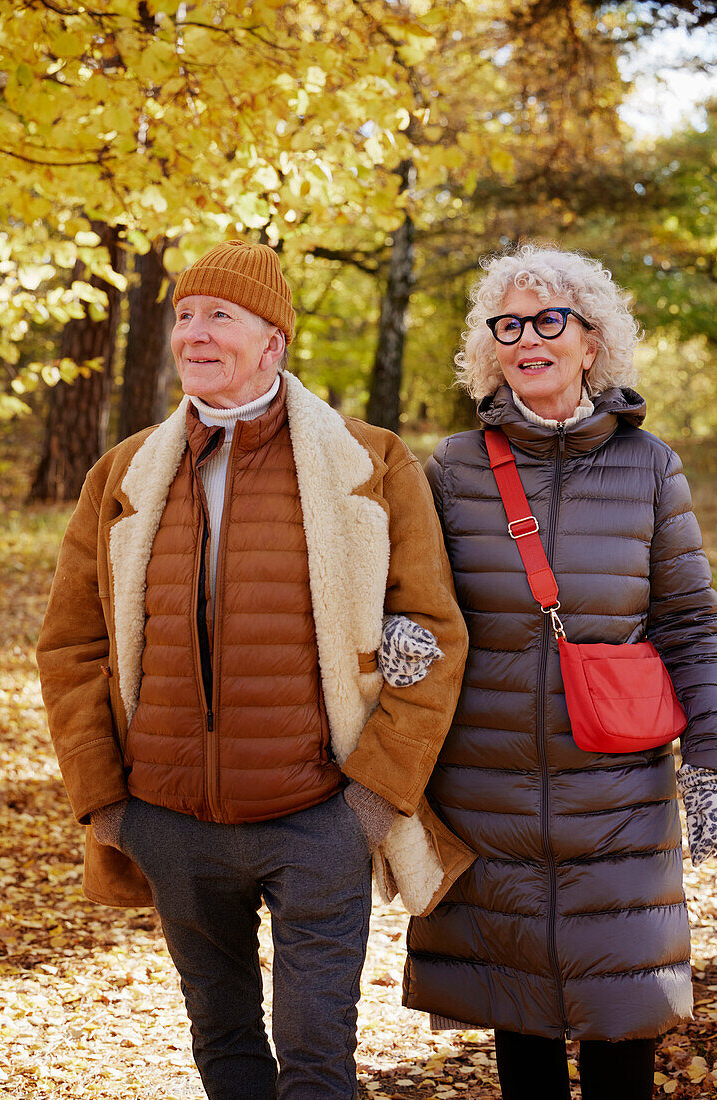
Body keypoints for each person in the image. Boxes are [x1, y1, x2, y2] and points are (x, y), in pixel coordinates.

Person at [37, 240, 471, 1100]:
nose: (194, 333)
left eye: (219, 316)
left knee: (316, 1062)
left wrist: (372, 800)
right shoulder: (122, 475)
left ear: (273, 342)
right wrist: (109, 804)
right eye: (184, 316)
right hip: (169, 822)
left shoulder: (371, 463)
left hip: (319, 819)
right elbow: (71, 646)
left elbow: (430, 634)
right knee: (225, 1048)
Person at [401, 244, 717, 1100]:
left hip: (617, 787)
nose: (527, 338)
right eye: (509, 325)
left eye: (549, 321)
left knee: (625, 1016)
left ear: (591, 340)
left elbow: (689, 621)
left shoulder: (650, 466)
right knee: (518, 1019)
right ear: (491, 347)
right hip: (487, 783)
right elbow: (417, 605)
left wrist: (712, 767)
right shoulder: (454, 468)